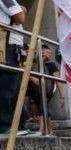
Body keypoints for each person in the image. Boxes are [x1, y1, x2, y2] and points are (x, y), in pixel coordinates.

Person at [0, 0, 25, 134]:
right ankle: (5, 126)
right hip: (8, 46)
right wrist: (20, 9)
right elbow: (20, 17)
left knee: (13, 88)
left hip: (9, 46)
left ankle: (18, 126)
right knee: (7, 86)